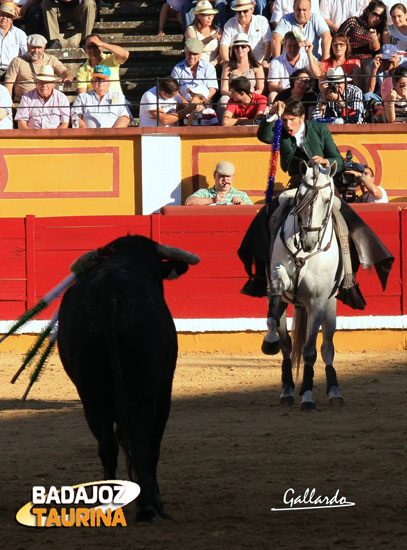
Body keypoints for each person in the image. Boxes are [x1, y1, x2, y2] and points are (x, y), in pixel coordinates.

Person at [238, 98, 394, 305]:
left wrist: (326, 161)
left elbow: (337, 159)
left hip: (322, 185)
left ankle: (349, 279)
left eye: (292, 120)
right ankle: (259, 278)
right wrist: (273, 114)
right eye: (285, 120)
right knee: (266, 216)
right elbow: (264, 136)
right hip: (296, 186)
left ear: (302, 118)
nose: (288, 125)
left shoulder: (319, 130)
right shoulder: (280, 129)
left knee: (348, 221)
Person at [5, 33, 72, 101]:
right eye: (33, 48)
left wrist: (67, 78)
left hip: (47, 102)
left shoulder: (51, 59)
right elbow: (9, 84)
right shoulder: (17, 61)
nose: (36, 51)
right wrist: (9, 104)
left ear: (44, 47)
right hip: (22, 102)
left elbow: (64, 72)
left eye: (39, 48)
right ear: (27, 46)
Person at [218, 32, 265, 119]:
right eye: (236, 47)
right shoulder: (227, 67)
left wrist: (246, 97)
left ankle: (256, 126)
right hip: (233, 99)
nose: (240, 49)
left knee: (262, 102)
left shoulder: (257, 66)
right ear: (233, 49)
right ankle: (223, 130)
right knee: (223, 100)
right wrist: (236, 96)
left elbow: (260, 89)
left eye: (243, 46)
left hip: (251, 99)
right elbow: (224, 90)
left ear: (248, 48)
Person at [267, 31, 320, 101]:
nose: (292, 49)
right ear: (285, 46)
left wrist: (309, 53)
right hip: (284, 94)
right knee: (272, 95)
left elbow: (317, 75)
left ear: (300, 46)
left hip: (304, 93)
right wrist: (291, 91)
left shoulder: (307, 58)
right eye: (290, 46)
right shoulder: (276, 62)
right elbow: (272, 86)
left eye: (295, 46)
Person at [15, 64, 69, 128]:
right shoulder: (26, 98)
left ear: (53, 84)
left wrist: (55, 137)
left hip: (55, 136)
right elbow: (21, 123)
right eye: (41, 82)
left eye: (47, 82)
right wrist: (33, 137)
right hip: (32, 136)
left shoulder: (61, 98)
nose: (44, 85)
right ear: (36, 83)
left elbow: (65, 123)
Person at [220, 0, 272, 67]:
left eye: (245, 11)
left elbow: (268, 43)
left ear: (252, 10)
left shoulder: (262, 21)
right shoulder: (229, 24)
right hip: (237, 67)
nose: (242, 14)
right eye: (239, 12)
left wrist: (265, 60)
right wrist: (227, 63)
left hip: (259, 65)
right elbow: (224, 45)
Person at [171, 36, 218, 101]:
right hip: (183, 104)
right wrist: (186, 105)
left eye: (195, 54)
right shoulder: (177, 68)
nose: (191, 56)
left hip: (204, 102)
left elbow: (212, 89)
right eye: (189, 53)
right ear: (185, 52)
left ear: (200, 54)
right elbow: (174, 90)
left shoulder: (208, 67)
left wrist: (201, 101)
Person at [185, 160, 253, 204]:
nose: (225, 179)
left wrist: (243, 205)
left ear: (233, 177)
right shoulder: (205, 193)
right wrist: (212, 200)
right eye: (222, 176)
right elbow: (188, 202)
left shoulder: (242, 195)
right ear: (215, 175)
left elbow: (254, 213)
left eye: (228, 176)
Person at [185, 1, 222, 65]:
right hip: (197, 65)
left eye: (211, 15)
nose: (210, 18)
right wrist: (210, 38)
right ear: (198, 16)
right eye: (206, 15)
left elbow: (223, 50)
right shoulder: (191, 30)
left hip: (215, 64)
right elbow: (194, 48)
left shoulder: (218, 29)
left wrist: (215, 62)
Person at [0, 2, 27, 78]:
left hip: (12, 71)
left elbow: (25, 54)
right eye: (2, 15)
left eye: (8, 16)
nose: (4, 18)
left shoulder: (20, 34)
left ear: (11, 19)